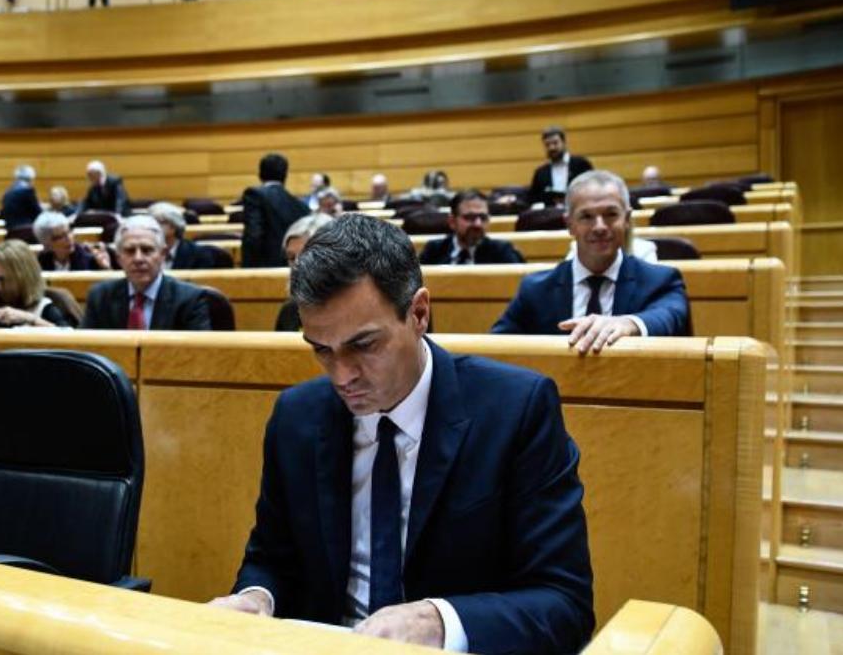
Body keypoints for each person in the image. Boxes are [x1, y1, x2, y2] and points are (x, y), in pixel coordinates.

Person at [210, 214, 594, 653]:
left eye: (364, 345)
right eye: (321, 350)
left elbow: (565, 604)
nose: (342, 376)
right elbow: (271, 557)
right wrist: (257, 598)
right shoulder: (297, 415)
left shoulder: (515, 409)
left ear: (418, 313)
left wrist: (439, 620)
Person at [492, 170, 691, 353]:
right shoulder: (536, 289)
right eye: (586, 216)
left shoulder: (661, 280)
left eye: (611, 214)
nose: (599, 227)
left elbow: (670, 316)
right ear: (569, 225)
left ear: (627, 219)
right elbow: (495, 347)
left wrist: (629, 323)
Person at [81, 215, 212, 330]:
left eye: (147, 250)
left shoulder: (190, 299)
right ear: (118, 258)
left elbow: (197, 356)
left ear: (163, 254)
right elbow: (86, 350)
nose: (138, 259)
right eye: (130, 251)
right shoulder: (100, 296)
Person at [0, 240, 73, 328]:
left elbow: (71, 340)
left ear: (24, 278)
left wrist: (31, 319)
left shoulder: (46, 308)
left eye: (7, 280)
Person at [241, 153, 311, 268]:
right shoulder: (301, 206)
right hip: (292, 268)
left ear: (260, 174)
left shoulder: (254, 195)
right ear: (285, 176)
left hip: (262, 269)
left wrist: (247, 269)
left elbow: (253, 236)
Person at [419, 190, 524, 265]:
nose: (477, 224)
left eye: (483, 217)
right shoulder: (433, 251)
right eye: (469, 218)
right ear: (452, 221)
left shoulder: (502, 252)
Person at [274, 213, 333, 331]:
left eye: (305, 256)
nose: (296, 266)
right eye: (291, 258)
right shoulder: (290, 311)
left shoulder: (358, 310)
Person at [527, 126, 593, 207]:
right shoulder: (540, 172)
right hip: (550, 214)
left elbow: (591, 190)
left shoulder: (581, 164)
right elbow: (533, 199)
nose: (552, 147)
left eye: (555, 143)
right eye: (547, 145)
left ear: (564, 143)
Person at [33, 210, 112, 271]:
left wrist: (106, 269)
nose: (69, 238)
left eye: (69, 231)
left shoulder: (90, 258)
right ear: (48, 243)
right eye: (61, 236)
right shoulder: (40, 263)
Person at [150, 202, 216, 269]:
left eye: (160, 222)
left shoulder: (199, 255)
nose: (153, 226)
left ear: (174, 227)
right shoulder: (143, 251)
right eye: (151, 222)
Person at [1, 164, 42, 229]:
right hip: (25, 229)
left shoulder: (7, 192)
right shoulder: (28, 191)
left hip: (10, 229)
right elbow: (38, 212)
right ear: (30, 179)